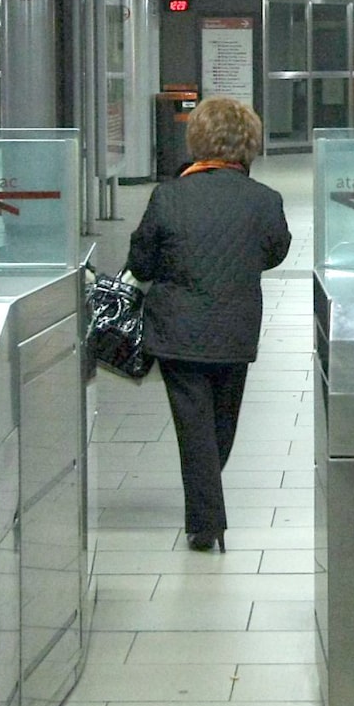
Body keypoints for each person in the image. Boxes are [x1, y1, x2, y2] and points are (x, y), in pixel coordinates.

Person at [124, 96, 291, 552]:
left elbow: (141, 259)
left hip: (177, 331)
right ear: (249, 144)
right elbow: (276, 251)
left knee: (194, 427)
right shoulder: (264, 200)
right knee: (221, 424)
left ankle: (205, 515)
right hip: (235, 329)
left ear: (197, 140)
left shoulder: (170, 195)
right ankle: (206, 518)